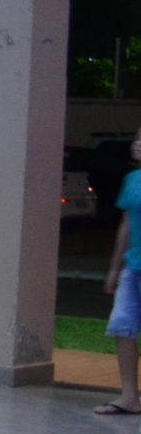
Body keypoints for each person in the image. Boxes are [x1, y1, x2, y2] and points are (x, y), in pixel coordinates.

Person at [95, 125, 141, 417]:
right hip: (133, 266)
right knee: (122, 327)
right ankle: (129, 396)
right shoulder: (132, 179)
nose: (137, 144)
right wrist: (115, 267)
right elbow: (126, 224)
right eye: (137, 138)